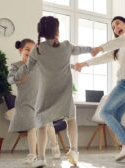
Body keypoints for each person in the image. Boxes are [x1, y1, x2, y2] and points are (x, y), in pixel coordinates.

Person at [18, 16, 92, 167]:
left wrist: (15, 76)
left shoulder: (37, 50)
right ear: (57, 30)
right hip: (64, 92)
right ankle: (74, 151)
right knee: (71, 120)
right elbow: (80, 49)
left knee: (41, 125)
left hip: (46, 94)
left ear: (42, 32)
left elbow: (26, 69)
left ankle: (41, 158)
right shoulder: (66, 46)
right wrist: (92, 50)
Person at [73, 16, 125, 161]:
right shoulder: (120, 48)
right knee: (115, 118)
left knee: (105, 112)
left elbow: (118, 41)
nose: (116, 28)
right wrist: (82, 64)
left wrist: (99, 47)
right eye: (113, 27)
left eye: (118, 23)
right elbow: (103, 58)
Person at [7, 38, 60, 165]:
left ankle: (54, 145)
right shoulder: (16, 66)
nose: (30, 53)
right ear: (20, 50)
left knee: (48, 127)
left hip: (41, 100)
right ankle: (32, 154)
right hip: (25, 103)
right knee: (31, 126)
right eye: (27, 50)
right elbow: (9, 79)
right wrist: (17, 78)